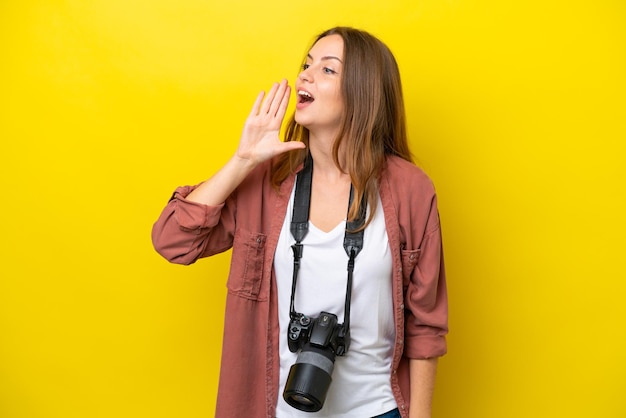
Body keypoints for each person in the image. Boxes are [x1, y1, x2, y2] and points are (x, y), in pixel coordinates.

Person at [152, 26, 448, 418]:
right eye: (306, 65)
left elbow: (426, 325)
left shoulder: (410, 190)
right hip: (277, 409)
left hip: (378, 409)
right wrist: (243, 160)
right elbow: (173, 240)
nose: (304, 76)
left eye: (327, 70)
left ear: (363, 91)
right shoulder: (267, 181)